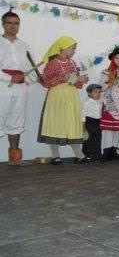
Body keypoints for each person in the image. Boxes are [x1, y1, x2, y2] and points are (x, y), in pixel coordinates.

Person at [38, 36, 89, 164]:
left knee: (71, 123)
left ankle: (79, 155)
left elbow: (75, 82)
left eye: (74, 49)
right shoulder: (52, 63)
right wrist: (63, 78)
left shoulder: (72, 63)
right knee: (55, 123)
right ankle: (55, 156)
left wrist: (80, 79)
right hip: (57, 96)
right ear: (63, 48)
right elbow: (46, 82)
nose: (74, 51)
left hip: (70, 96)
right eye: (72, 49)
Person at [0, 11, 35, 166]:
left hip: (20, 88)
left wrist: (38, 79)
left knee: (17, 119)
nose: (13, 26)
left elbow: (30, 68)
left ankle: (15, 158)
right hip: (2, 86)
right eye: (9, 23)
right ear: (3, 24)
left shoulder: (24, 46)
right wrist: (8, 78)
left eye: (16, 23)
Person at [82, 83, 103, 162]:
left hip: (98, 122)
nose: (98, 94)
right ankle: (88, 155)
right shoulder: (86, 103)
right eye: (95, 92)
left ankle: (97, 156)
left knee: (97, 139)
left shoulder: (99, 102)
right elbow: (83, 115)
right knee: (89, 140)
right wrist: (83, 127)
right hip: (89, 122)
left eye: (99, 92)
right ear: (89, 93)